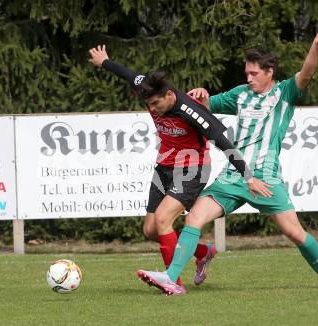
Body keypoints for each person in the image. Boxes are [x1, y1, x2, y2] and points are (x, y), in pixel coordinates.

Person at [137, 27, 318, 295]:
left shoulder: (285, 93)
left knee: (295, 233)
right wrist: (203, 95)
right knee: (194, 218)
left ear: (269, 72)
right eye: (247, 74)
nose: (249, 78)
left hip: (265, 178)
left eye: (254, 74)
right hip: (233, 175)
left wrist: (317, 45)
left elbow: (307, 72)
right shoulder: (240, 94)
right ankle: (171, 278)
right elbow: (205, 106)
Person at [89, 45, 272, 289]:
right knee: (151, 230)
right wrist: (105, 62)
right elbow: (128, 73)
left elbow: (224, 143)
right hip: (164, 165)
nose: (153, 109)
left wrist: (248, 177)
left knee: (164, 219)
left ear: (169, 96)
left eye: (156, 104)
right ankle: (202, 252)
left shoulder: (191, 111)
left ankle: (173, 282)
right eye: (149, 105)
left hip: (192, 168)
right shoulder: (148, 87)